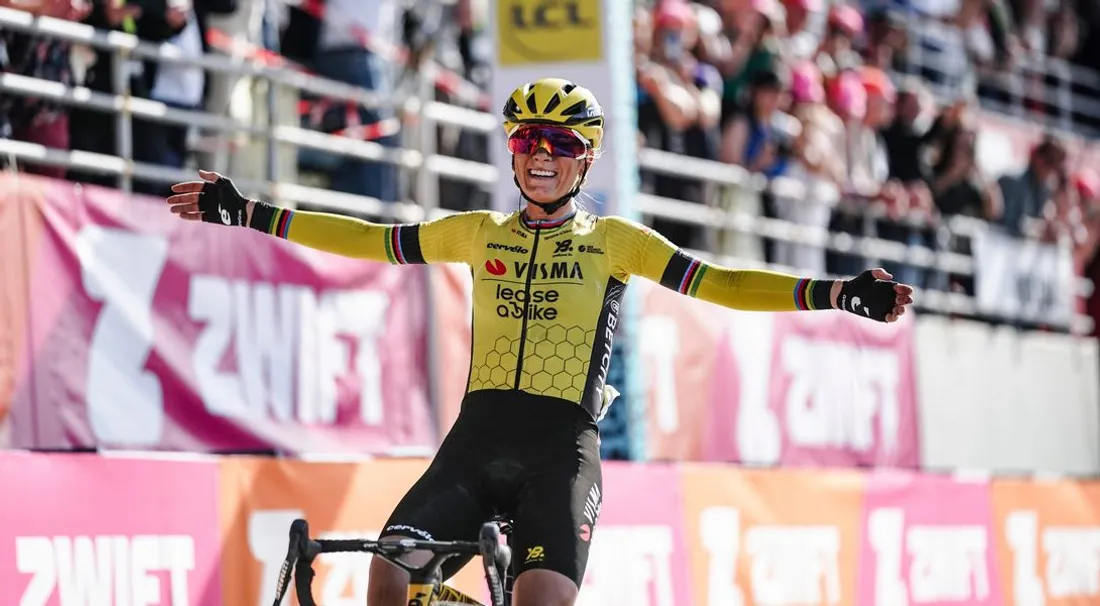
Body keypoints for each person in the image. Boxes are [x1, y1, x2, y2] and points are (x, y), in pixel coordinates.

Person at [166, 78, 914, 606]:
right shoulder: (478, 233)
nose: (539, 153)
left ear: (585, 156)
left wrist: (836, 292)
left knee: (543, 601)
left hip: (560, 451)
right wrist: (252, 214)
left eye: (558, 140)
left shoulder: (615, 242)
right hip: (476, 436)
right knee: (390, 578)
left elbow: (719, 282)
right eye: (526, 139)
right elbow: (367, 239)